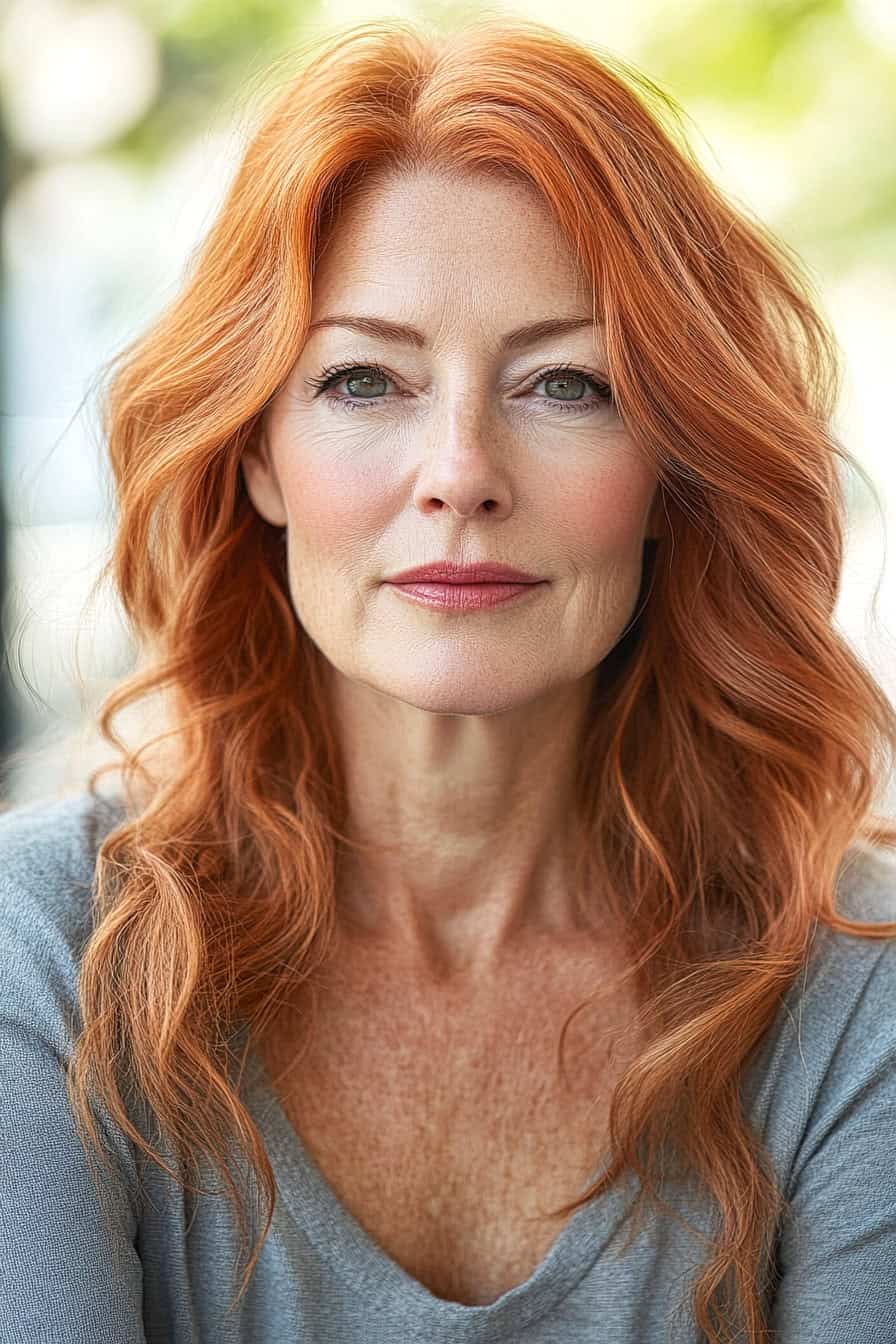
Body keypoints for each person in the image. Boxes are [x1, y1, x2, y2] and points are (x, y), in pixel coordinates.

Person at [2, 14, 896, 1344]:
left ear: (672, 472)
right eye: (366, 379)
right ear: (256, 458)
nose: (460, 471)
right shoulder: (46, 955)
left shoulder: (851, 989)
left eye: (567, 385)